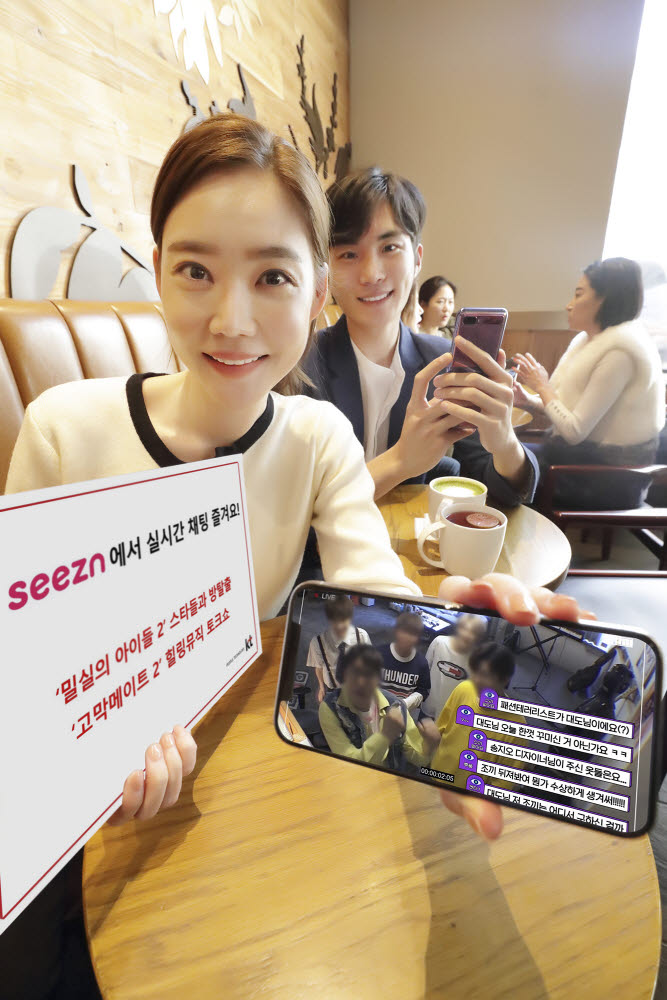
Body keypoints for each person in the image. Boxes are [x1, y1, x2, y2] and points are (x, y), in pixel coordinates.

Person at [2, 115, 592, 997]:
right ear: (157, 269)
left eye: (272, 276)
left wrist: (450, 660)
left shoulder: (315, 435)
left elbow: (374, 591)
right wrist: (90, 746)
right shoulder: (66, 428)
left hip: (240, 781)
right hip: (86, 811)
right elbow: (22, 660)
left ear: (317, 291)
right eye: (195, 270)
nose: (231, 320)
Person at [303, 167, 539, 503]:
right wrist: (400, 462)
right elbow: (291, 507)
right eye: (349, 254)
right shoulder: (300, 366)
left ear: (416, 259)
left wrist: (504, 444)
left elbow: (497, 489)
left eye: (389, 248)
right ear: (327, 269)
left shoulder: (445, 362)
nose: (371, 274)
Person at [513, 258, 665, 508]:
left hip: (604, 478)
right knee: (497, 453)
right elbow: (571, 414)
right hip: (579, 461)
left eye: (578, 294)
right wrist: (528, 400)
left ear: (604, 299)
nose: (569, 305)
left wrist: (542, 387)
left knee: (499, 461)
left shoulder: (620, 353)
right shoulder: (591, 341)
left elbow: (574, 431)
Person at [318, 644, 440, 771]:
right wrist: (385, 736)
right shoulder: (331, 708)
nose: (361, 683)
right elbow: (350, 764)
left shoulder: (395, 706)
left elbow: (416, 758)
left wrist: (429, 746)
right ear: (342, 680)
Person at [424, 641, 526, 790]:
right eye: (475, 671)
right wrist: (430, 738)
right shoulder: (464, 689)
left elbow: (503, 782)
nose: (476, 681)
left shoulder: (517, 727)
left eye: (485, 675)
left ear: (505, 679)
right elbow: (441, 729)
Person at [421, 613, 488, 720]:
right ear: (458, 628)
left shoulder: (478, 658)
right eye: (465, 629)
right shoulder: (439, 642)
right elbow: (425, 670)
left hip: (453, 713)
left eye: (475, 633)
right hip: (429, 706)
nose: (468, 636)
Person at [307, 595, 371, 702]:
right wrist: (321, 687)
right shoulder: (317, 642)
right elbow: (319, 668)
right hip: (332, 689)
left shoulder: (362, 636)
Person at [377, 611, 430, 717]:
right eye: (404, 631)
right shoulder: (378, 654)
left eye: (413, 634)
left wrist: (406, 703)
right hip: (378, 710)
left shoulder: (422, 663)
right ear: (396, 631)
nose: (408, 637)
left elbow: (423, 690)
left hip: (403, 714)